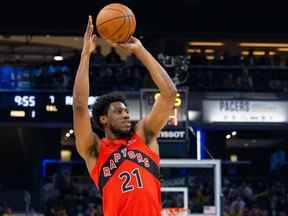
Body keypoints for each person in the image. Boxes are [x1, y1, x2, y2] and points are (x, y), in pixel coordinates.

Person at [73, 15, 177, 216]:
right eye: (119, 111)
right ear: (104, 119)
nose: (126, 115)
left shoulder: (143, 136)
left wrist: (141, 51)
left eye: (127, 111)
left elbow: (170, 94)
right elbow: (79, 106)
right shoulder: (95, 150)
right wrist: (85, 54)